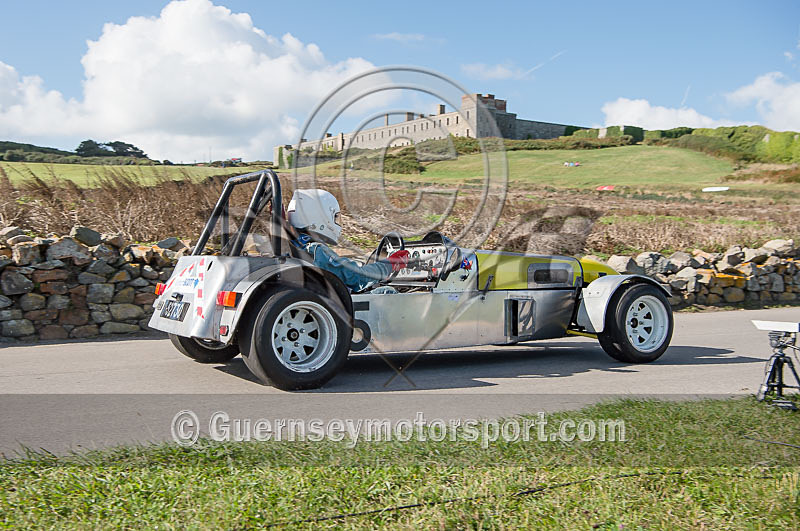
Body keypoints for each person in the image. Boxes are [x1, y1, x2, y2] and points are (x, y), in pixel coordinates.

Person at [286, 189, 409, 292]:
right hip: (333, 305)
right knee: (387, 292)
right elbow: (358, 277)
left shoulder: (296, 245)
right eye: (335, 217)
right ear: (319, 217)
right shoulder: (316, 251)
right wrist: (391, 264)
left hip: (319, 297)